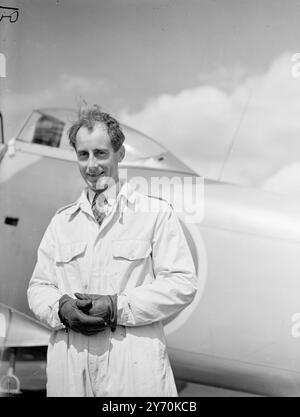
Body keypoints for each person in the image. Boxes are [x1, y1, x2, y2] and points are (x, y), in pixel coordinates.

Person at [27, 105, 197, 397]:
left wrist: (118, 307)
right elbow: (38, 287)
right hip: (71, 375)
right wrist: (61, 309)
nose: (92, 165)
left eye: (101, 153)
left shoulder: (155, 213)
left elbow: (182, 283)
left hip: (133, 376)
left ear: (120, 154)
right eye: (83, 155)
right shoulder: (61, 222)